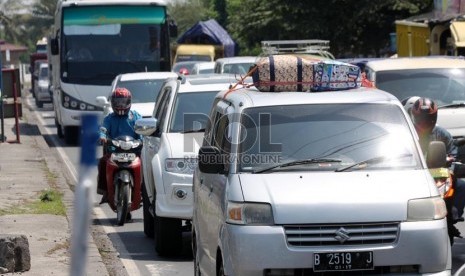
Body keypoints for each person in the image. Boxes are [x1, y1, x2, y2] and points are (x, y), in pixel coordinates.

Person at [407, 97, 465, 236]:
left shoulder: (442, 134)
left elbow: (453, 153)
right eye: (421, 119)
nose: (425, 122)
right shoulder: (408, 134)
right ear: (414, 117)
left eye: (429, 119)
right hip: (415, 176)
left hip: (440, 175)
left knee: (462, 186)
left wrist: (452, 162)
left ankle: (453, 214)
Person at [97, 87, 142, 204]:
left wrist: (143, 140)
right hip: (113, 151)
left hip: (134, 151)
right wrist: (102, 136)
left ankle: (144, 192)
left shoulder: (136, 116)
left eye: (124, 102)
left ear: (129, 102)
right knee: (102, 162)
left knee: (146, 165)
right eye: (118, 102)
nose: (121, 105)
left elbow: (142, 131)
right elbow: (103, 129)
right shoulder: (109, 118)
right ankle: (105, 191)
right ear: (112, 103)